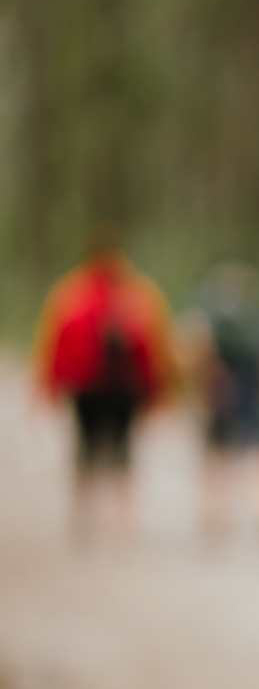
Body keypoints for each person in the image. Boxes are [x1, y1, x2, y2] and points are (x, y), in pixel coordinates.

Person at [31, 228, 177, 543]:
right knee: (124, 454)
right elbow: (156, 348)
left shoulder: (71, 293)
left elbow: (54, 343)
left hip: (86, 388)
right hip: (126, 390)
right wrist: (159, 395)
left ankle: (83, 514)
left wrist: (47, 389)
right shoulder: (139, 294)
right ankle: (122, 522)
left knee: (85, 451)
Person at [187, 262, 259, 545]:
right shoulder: (255, 319)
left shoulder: (209, 316)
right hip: (251, 394)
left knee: (217, 457)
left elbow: (196, 355)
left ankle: (215, 519)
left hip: (220, 392)